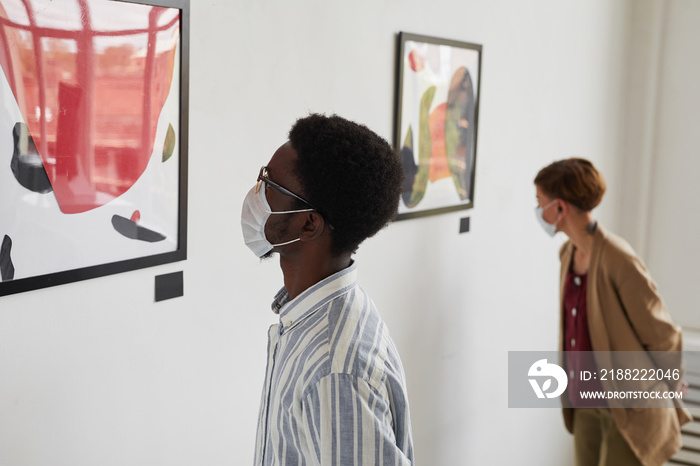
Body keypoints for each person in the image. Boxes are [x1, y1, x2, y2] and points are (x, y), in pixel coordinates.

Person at [241, 114, 414, 465]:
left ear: (308, 223)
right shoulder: (307, 317)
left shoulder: (337, 371)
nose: (257, 192)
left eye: (270, 185)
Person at [534, 158, 692, 466]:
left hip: (628, 405)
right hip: (583, 402)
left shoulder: (619, 260)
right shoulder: (567, 253)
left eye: (540, 202)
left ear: (560, 207)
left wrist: (671, 384)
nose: (538, 211)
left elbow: (664, 335)